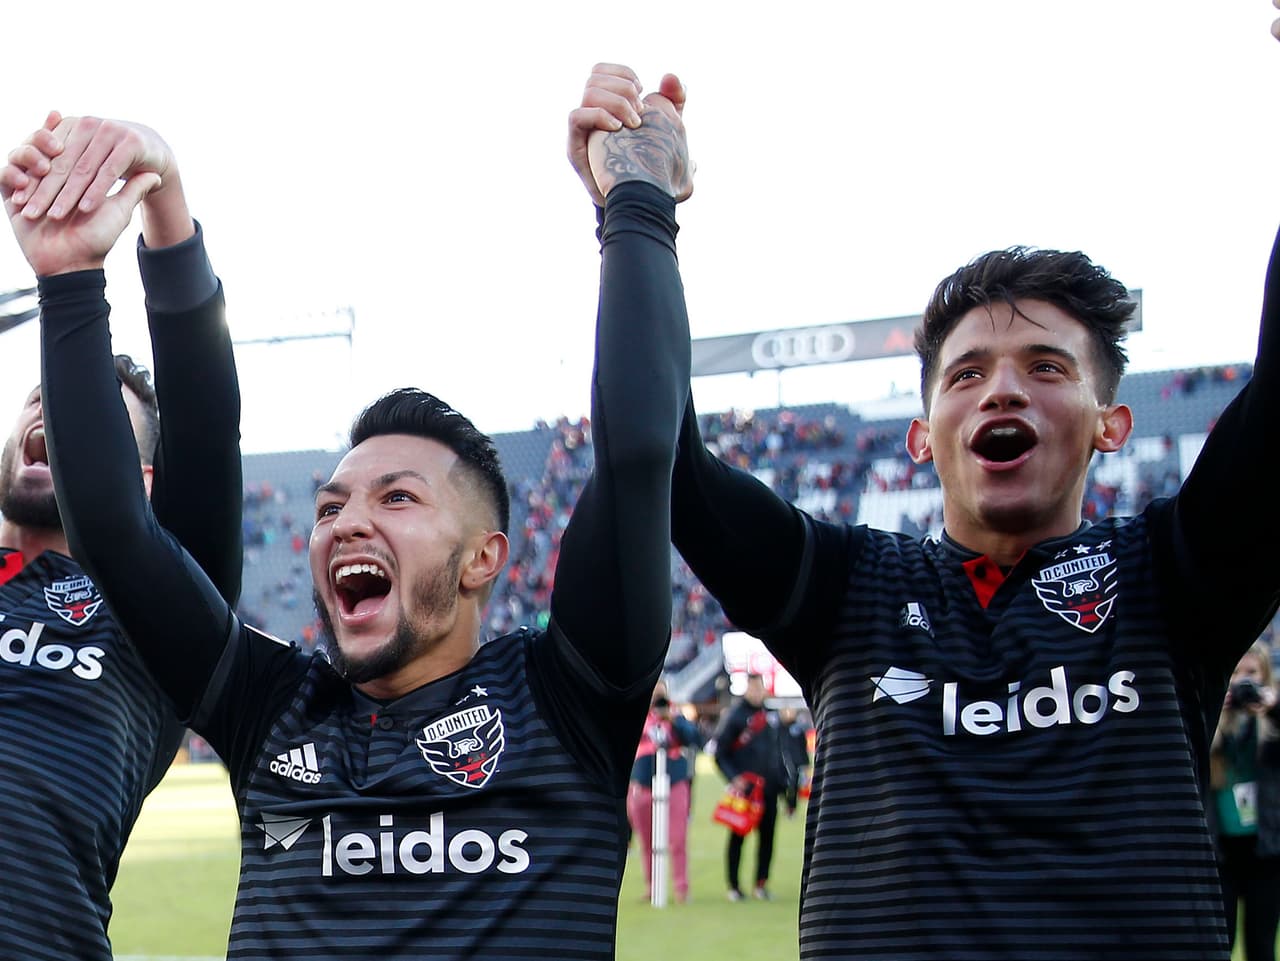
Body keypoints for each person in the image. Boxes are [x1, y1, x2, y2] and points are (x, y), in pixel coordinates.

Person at [571, 27, 1280, 957]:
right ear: (921, 438)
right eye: (967, 373)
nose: (1003, 389)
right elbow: (655, 457)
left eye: (1046, 365)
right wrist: (637, 209)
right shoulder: (842, 590)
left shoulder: (1172, 579)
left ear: (1112, 423)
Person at [33, 76, 692, 959]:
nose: (346, 521)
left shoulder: (568, 697)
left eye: (398, 497)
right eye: (332, 503)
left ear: (482, 557)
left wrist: (636, 203)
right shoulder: (271, 704)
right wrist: (73, 280)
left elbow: (642, 453)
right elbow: (115, 529)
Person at [0, 113, 241, 959]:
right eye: (47, 397)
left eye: (88, 418)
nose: (50, 410)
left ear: (139, 483)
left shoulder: (158, 615)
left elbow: (207, 429)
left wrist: (162, 197)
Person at [1212, 640, 1280, 960]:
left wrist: (1274, 708)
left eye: (1252, 673)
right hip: (1220, 852)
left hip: (1265, 849)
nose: (1243, 682)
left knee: (1261, 944)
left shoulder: (1272, 727)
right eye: (1236, 673)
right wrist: (1211, 706)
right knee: (1218, 942)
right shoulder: (1211, 721)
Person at [714, 673, 792, 902]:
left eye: (760, 689)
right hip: (747, 792)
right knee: (738, 837)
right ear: (747, 689)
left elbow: (779, 752)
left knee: (767, 839)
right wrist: (734, 777)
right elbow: (720, 753)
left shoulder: (771, 715)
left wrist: (785, 785)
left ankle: (761, 883)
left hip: (769, 789)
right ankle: (734, 886)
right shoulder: (736, 716)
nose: (757, 693)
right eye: (753, 689)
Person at [627, 681, 705, 903]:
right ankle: (652, 886)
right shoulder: (636, 715)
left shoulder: (677, 716)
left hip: (674, 781)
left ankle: (681, 887)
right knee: (647, 840)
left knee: (677, 838)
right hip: (643, 783)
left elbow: (694, 740)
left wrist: (673, 720)